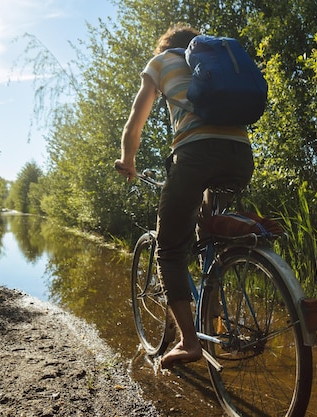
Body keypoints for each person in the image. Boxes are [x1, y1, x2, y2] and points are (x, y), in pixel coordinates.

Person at [114, 24, 254, 369]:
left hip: (195, 157)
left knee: (169, 250)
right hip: (241, 155)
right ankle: (215, 323)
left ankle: (189, 341)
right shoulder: (214, 61)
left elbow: (136, 119)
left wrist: (128, 160)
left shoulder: (161, 62)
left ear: (165, 47)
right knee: (208, 237)